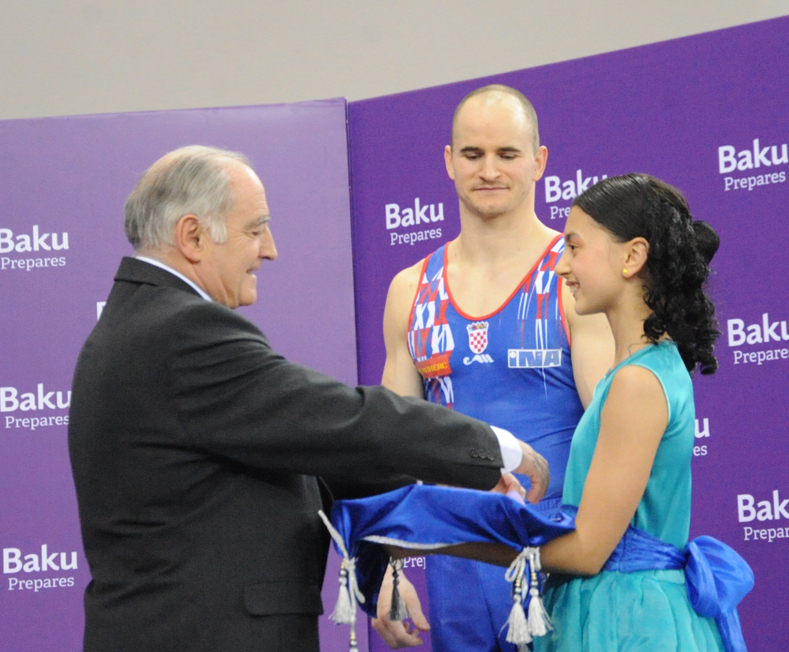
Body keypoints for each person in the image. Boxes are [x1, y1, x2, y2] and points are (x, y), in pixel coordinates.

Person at [67, 145, 550, 652]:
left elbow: (312, 456)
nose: (270, 249)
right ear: (192, 236)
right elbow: (340, 422)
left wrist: (385, 557)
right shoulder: (182, 331)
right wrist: (490, 446)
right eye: (254, 230)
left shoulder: (141, 324)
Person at [376, 85, 613, 650]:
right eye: (472, 154)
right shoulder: (410, 290)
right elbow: (390, 448)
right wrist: (386, 567)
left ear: (540, 161)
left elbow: (612, 441)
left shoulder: (575, 279)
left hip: (559, 557)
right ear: (449, 162)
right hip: (456, 567)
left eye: (507, 154)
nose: (489, 170)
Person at [533, 173, 729, 650]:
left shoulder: (636, 382)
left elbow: (586, 550)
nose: (562, 266)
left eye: (575, 247)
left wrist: (456, 535)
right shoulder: (635, 373)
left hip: (627, 623)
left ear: (632, 256)